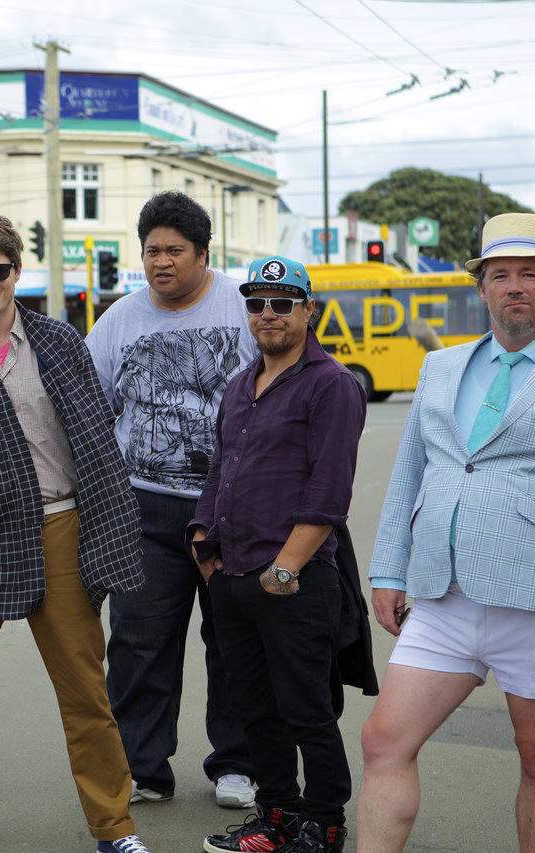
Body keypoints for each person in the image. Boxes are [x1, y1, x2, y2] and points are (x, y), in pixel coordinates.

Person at [357, 213, 535, 852]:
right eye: (500, 274)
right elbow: (408, 477)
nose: (515, 286)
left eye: (529, 274)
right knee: (382, 742)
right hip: (442, 598)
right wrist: (389, 572)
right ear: (480, 288)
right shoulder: (440, 368)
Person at [0, 214, 152, 853]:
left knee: (84, 690)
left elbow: (97, 438)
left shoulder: (61, 341)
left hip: (60, 527)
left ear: (18, 271)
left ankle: (114, 828)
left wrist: (106, 527)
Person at [85, 190, 259, 807]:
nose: (162, 262)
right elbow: (89, 414)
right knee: (138, 643)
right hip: (144, 509)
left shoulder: (243, 309)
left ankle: (237, 764)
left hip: (230, 509)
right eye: (152, 251)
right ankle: (142, 767)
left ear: (203, 253)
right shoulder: (119, 321)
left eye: (175, 251)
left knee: (234, 638)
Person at [191, 257, 366, 853]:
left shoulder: (331, 384)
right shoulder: (241, 386)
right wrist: (203, 549)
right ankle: (277, 817)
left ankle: (325, 823)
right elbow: (219, 472)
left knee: (306, 710)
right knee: (254, 710)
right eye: (257, 303)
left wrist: (285, 568)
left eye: (283, 302)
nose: (268, 313)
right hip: (233, 576)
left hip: (294, 579)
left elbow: (329, 491)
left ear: (307, 310)